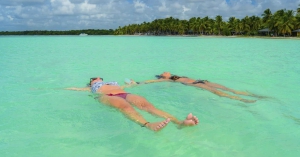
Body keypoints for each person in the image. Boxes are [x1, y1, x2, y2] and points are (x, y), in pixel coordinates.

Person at [65, 77, 199, 131]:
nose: (97, 79)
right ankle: (148, 125)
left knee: (148, 106)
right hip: (106, 96)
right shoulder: (91, 87)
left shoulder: (112, 83)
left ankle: (179, 123)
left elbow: (128, 85)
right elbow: (74, 89)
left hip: (123, 92)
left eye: (99, 78)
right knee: (124, 106)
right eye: (94, 80)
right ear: (91, 83)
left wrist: (132, 84)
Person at [134, 72, 259, 103]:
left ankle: (254, 96)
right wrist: (138, 83)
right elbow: (151, 81)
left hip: (202, 81)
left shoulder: (175, 75)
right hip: (196, 84)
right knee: (218, 93)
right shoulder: (165, 79)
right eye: (163, 72)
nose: (166, 71)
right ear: (162, 76)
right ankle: (242, 100)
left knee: (228, 89)